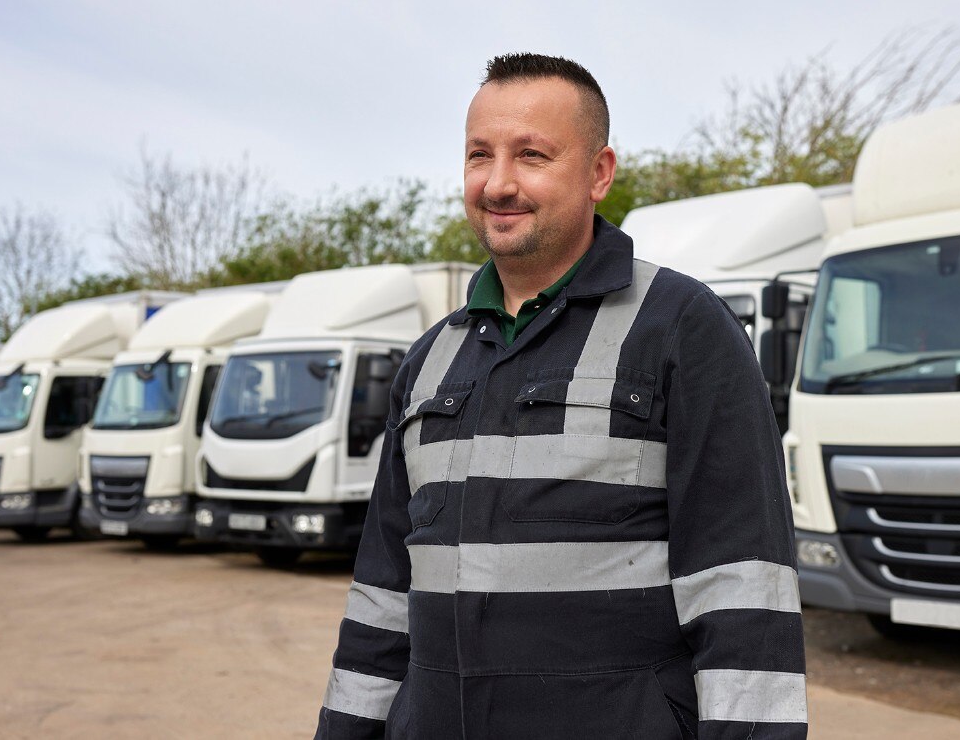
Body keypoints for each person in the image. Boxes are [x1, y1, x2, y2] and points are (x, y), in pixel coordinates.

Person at [316, 53, 807, 739]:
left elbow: (744, 594)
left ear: (599, 172)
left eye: (532, 155)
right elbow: (381, 598)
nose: (498, 182)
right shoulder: (430, 360)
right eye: (478, 154)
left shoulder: (683, 328)